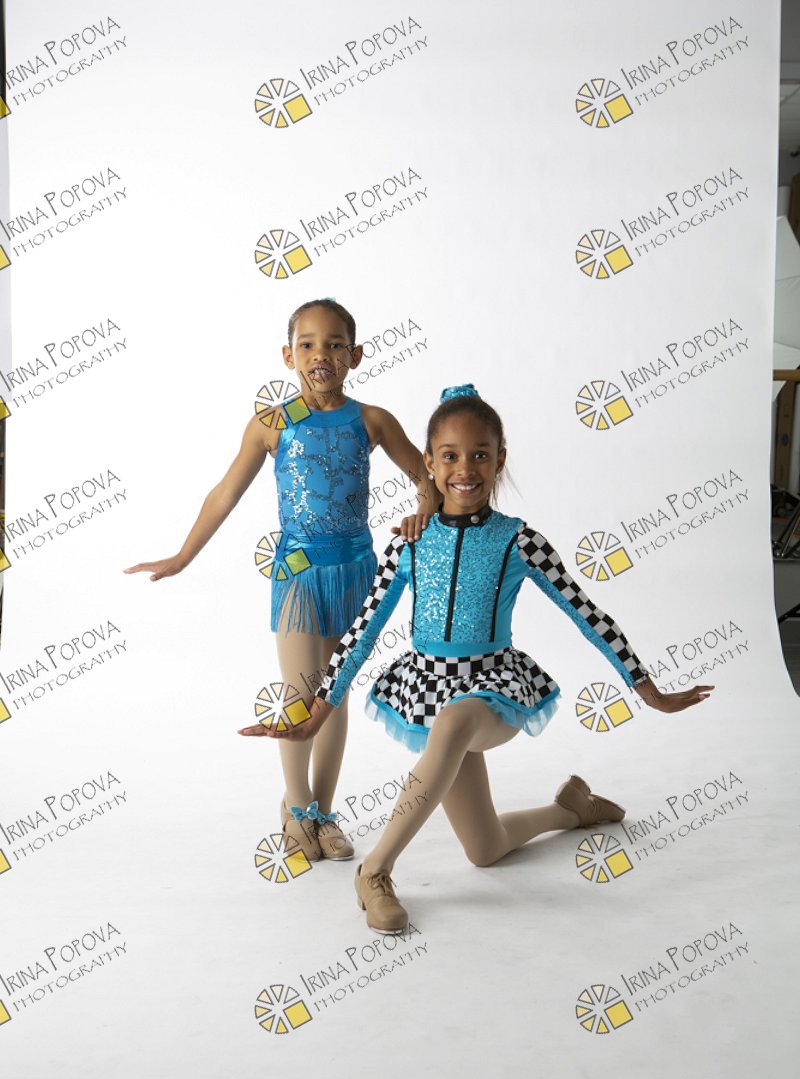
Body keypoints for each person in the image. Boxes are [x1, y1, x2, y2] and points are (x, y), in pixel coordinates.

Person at [239, 386, 713, 930]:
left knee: (455, 721)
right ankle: (572, 809)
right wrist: (316, 714)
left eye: (480, 454)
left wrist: (647, 688)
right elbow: (361, 634)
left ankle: (375, 871)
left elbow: (587, 614)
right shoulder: (409, 544)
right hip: (429, 688)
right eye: (450, 455)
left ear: (499, 460)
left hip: (492, 690)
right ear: (429, 462)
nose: (465, 469)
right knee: (485, 848)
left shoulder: (519, 541)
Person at [127, 299, 438, 863]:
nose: (322, 354)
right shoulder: (271, 424)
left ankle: (324, 810)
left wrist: (422, 512)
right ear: (288, 355)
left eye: (335, 344)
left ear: (355, 355)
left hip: (355, 569)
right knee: (299, 693)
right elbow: (224, 493)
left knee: (333, 695)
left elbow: (426, 477)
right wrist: (183, 556)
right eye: (308, 344)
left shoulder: (372, 420)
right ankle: (297, 808)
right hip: (296, 571)